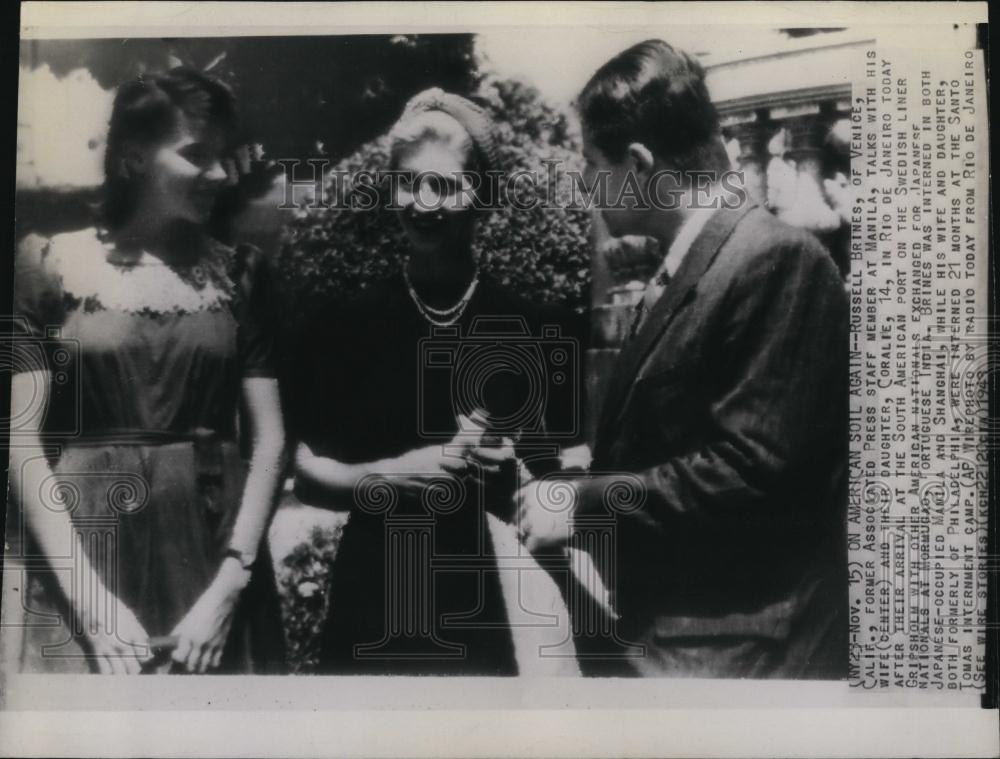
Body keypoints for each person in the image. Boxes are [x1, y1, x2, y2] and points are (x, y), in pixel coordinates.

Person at [516, 40, 849, 679]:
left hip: (737, 658)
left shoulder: (778, 260)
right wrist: (585, 470)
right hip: (683, 641)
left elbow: (753, 473)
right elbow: (695, 430)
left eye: (591, 165)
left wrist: (581, 504)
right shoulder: (697, 260)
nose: (586, 185)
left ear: (640, 165)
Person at [289, 88, 581, 675]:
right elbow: (307, 476)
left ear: (482, 197)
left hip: (492, 597)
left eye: (445, 185)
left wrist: (523, 475)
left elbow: (569, 468)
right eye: (408, 181)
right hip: (376, 593)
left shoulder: (532, 326)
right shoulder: (347, 325)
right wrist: (395, 475)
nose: (423, 203)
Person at [4, 68, 287, 674]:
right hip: (85, 559)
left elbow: (270, 440)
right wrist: (89, 602)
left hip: (212, 559)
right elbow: (19, 441)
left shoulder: (241, 276)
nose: (216, 173)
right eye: (195, 155)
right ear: (133, 157)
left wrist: (230, 586)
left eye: (221, 157)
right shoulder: (48, 265)